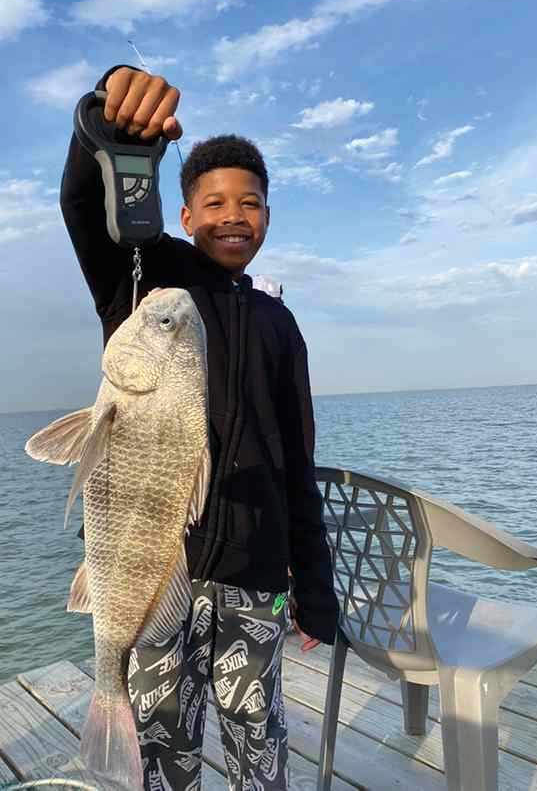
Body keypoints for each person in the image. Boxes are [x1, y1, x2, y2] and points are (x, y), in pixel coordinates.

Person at [60, 64, 340, 791]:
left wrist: (314, 585)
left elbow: (297, 462)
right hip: (158, 572)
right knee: (164, 746)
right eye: (213, 202)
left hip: (255, 575)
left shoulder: (281, 326)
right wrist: (105, 120)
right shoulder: (150, 282)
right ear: (183, 216)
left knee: (258, 737)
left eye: (250, 202)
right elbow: (85, 206)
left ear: (269, 216)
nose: (233, 215)